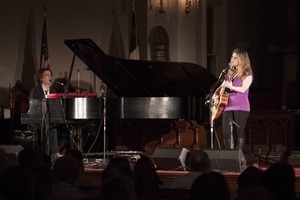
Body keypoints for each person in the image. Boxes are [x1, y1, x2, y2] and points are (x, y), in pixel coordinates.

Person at [220, 48, 253, 150]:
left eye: (235, 58)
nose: (232, 59)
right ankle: (229, 154)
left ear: (241, 60)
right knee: (226, 132)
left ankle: (238, 155)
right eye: (232, 57)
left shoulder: (247, 74)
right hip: (228, 105)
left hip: (241, 106)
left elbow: (243, 89)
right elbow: (221, 89)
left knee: (238, 131)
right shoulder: (228, 74)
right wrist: (219, 92)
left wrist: (231, 87)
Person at [30, 68, 62, 158]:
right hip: (38, 120)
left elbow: (56, 107)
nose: (50, 77)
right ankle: (46, 155)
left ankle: (55, 154)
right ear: (41, 78)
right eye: (47, 75)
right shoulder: (35, 91)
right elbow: (32, 107)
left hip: (50, 120)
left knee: (55, 127)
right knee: (49, 127)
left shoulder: (53, 91)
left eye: (50, 75)